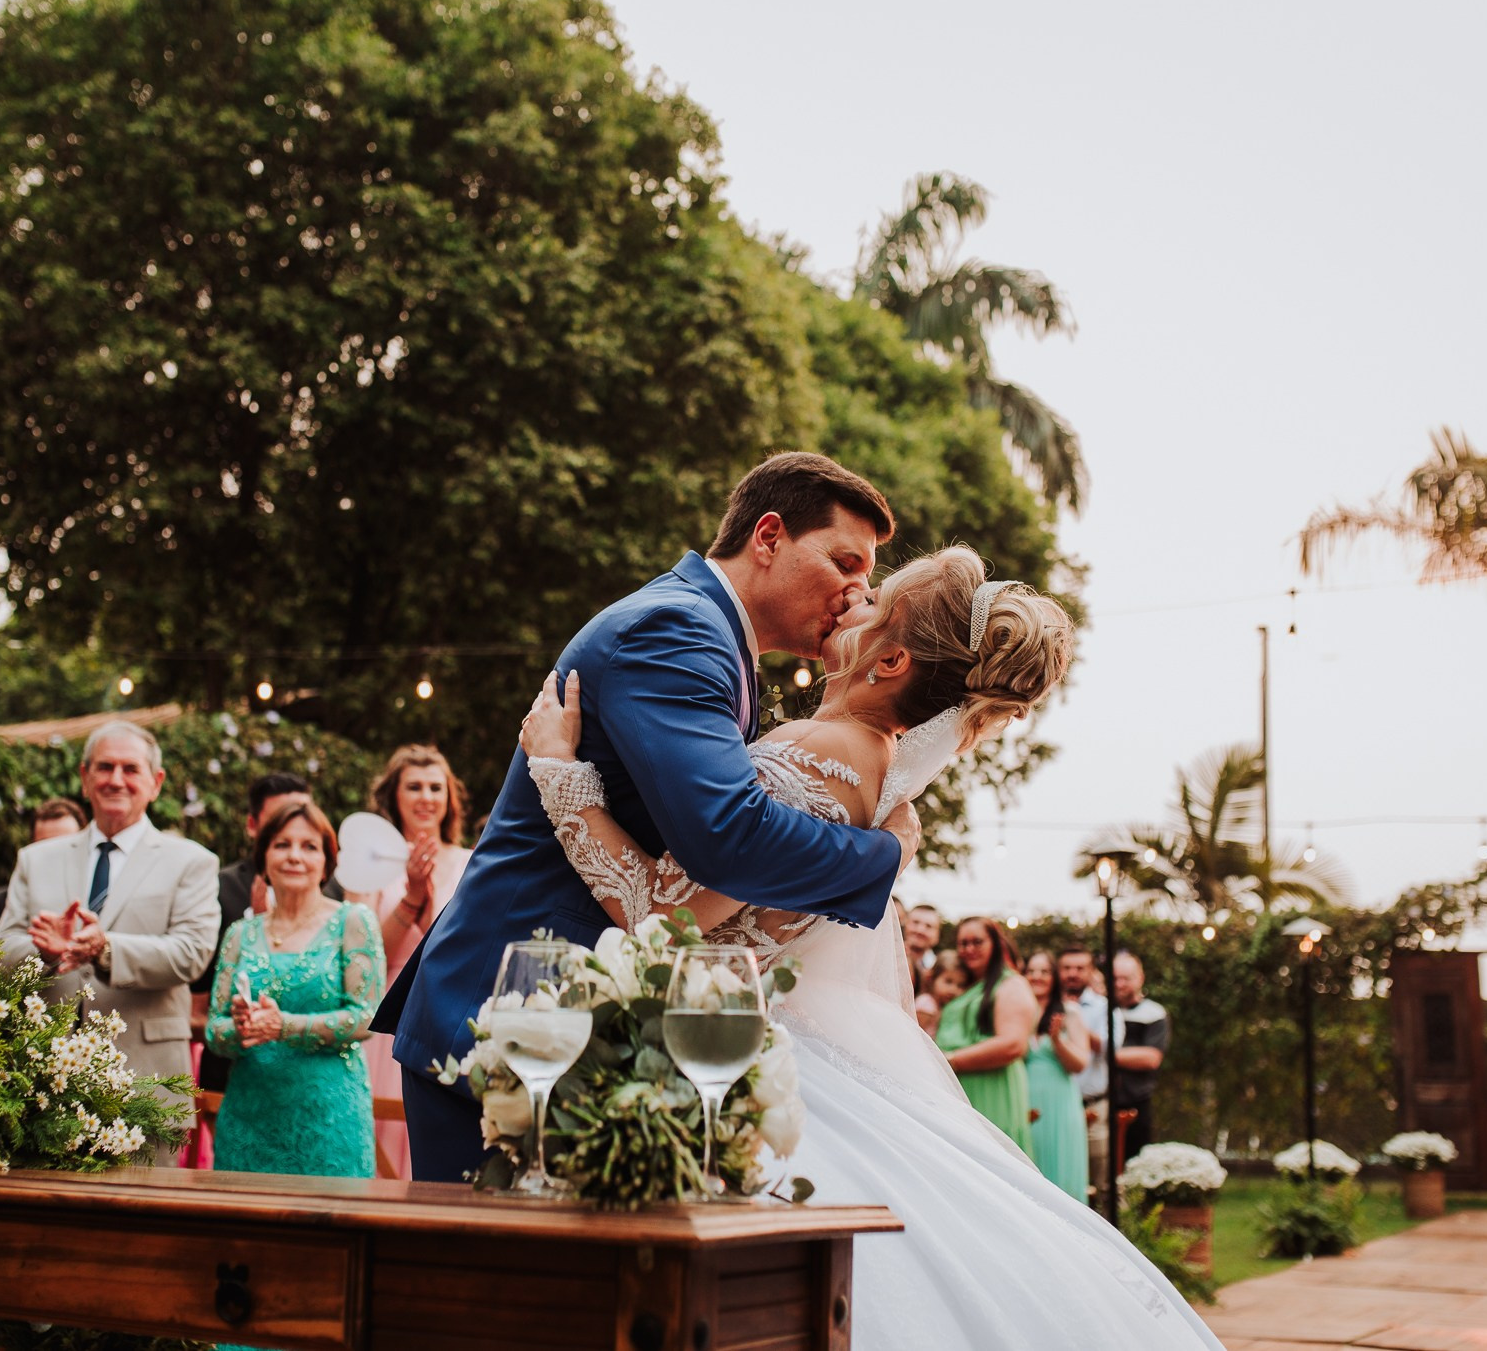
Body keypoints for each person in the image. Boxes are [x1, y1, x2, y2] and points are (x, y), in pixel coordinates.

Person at [520, 548, 1222, 1349]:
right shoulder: (867, 761)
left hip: (742, 1058)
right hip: (781, 1044)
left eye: (876, 595)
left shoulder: (827, 755)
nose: (853, 594)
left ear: (891, 659)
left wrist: (556, 770)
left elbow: (664, 913)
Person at [374, 452, 919, 1183]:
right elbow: (728, 833)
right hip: (513, 1016)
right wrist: (880, 855)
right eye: (845, 562)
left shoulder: (712, 638)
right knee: (478, 1282)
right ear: (768, 537)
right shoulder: (677, 630)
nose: (857, 593)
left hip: (566, 1016)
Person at [0, 721, 220, 1162]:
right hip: (41, 1087)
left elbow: (192, 954)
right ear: (84, 778)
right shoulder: (36, 859)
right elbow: (0, 949)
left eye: (130, 769)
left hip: (146, 1083)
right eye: (104, 767)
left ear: (155, 783)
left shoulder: (191, 861)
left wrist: (105, 950)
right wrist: (41, 951)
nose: (116, 779)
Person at [206, 799, 381, 1191]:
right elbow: (215, 1031)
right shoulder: (241, 933)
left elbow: (366, 1017)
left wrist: (283, 1025)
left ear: (326, 860)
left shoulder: (352, 921)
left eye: (308, 846)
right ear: (263, 857)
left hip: (329, 1115)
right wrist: (241, 1025)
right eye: (282, 845)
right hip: (250, 1114)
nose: (294, 857)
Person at [343, 745, 472, 1178]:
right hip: (385, 1015)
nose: (425, 797)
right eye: (413, 786)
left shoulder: (472, 861)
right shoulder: (368, 863)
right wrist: (412, 897)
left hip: (446, 1013)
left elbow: (464, 944)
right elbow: (361, 952)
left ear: (449, 799)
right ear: (394, 797)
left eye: (436, 787)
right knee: (380, 1133)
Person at [196, 772, 311, 1107]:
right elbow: (200, 1000)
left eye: (302, 817)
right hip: (233, 1075)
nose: (292, 830)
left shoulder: (333, 896)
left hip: (311, 1072)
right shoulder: (219, 888)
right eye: (278, 822)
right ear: (252, 826)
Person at [934, 916, 1037, 1155]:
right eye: (963, 943)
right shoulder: (968, 985)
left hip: (993, 1090)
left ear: (996, 943)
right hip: (962, 1091)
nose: (969, 949)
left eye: (977, 942)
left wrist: (949, 1060)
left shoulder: (1011, 984)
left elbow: (1013, 1045)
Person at [1023, 950, 1092, 1201]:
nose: (1036, 977)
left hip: (1059, 1104)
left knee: (1060, 1173)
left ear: (1054, 978)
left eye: (1044, 971)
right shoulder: (1020, 1011)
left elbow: (1080, 1063)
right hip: (1025, 1099)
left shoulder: (1069, 1012)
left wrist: (1057, 1042)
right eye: (1031, 971)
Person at [1058, 943, 1111, 1202]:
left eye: (1080, 968)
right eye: (1067, 968)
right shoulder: (1047, 1005)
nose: (1072, 973)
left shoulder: (1103, 1007)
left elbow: (1109, 1049)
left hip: (1093, 1107)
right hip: (1055, 1106)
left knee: (1096, 1178)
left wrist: (1074, 1019)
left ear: (1090, 971)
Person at [0, 798, 86, 926]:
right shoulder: (2, 904)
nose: (56, 854)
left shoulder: (96, 894)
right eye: (44, 846)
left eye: (66, 843)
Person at [1112, 950, 1171, 1163]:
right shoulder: (1101, 1009)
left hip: (1136, 1102)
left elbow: (1151, 1058)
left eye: (1125, 979)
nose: (1119, 984)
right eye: (1115, 978)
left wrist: (1105, 1054)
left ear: (1140, 978)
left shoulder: (1154, 1013)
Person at [913, 950, 966, 1036]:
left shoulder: (940, 1005)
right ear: (932, 979)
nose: (953, 990)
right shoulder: (927, 1003)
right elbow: (914, 1033)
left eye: (960, 985)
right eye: (948, 982)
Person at [903, 901, 941, 993]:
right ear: (905, 925)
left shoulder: (939, 969)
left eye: (928, 926)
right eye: (915, 923)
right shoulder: (885, 956)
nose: (920, 930)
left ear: (937, 935)